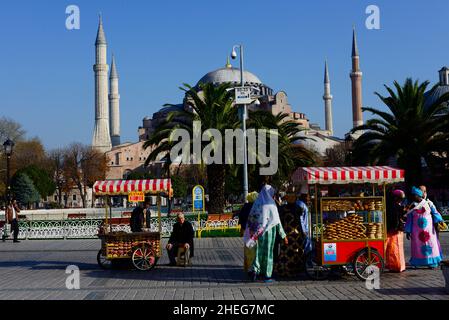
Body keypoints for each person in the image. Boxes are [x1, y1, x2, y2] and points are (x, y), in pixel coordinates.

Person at [244, 181, 288, 283]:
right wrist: (283, 236)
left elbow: (252, 218)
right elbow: (277, 222)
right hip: (269, 233)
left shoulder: (257, 203)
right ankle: (267, 275)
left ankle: (255, 271)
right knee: (268, 253)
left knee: (258, 252)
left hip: (258, 233)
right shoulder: (271, 204)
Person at [405, 186, 443, 269]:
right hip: (416, 232)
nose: (413, 197)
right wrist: (408, 231)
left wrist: (439, 221)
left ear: (419, 196)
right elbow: (409, 219)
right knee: (417, 246)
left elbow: (435, 213)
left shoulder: (429, 203)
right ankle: (417, 262)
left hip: (429, 230)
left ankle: (432, 262)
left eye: (414, 195)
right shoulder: (412, 206)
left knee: (431, 244)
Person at [235, 191, 258, 273]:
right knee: (254, 248)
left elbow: (241, 217)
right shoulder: (256, 206)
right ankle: (253, 266)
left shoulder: (246, 206)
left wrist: (242, 229)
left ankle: (247, 265)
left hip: (246, 230)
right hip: (255, 230)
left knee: (247, 247)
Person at [385, 190, 407, 272]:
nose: (401, 200)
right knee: (394, 248)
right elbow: (394, 218)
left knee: (395, 248)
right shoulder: (393, 206)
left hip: (395, 230)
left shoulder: (396, 205)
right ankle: (396, 265)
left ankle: (397, 265)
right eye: (400, 199)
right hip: (394, 230)